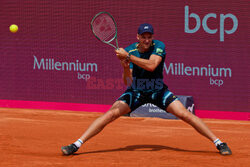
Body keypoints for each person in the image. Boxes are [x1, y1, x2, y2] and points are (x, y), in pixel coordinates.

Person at [61, 23, 232, 156]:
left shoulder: (158, 46)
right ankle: (76, 144)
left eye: (149, 36)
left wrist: (128, 57)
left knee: (185, 114)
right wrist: (125, 66)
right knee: (111, 114)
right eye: (143, 37)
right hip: (137, 92)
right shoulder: (129, 50)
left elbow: (151, 65)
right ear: (138, 37)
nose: (147, 40)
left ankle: (219, 143)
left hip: (158, 91)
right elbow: (127, 80)